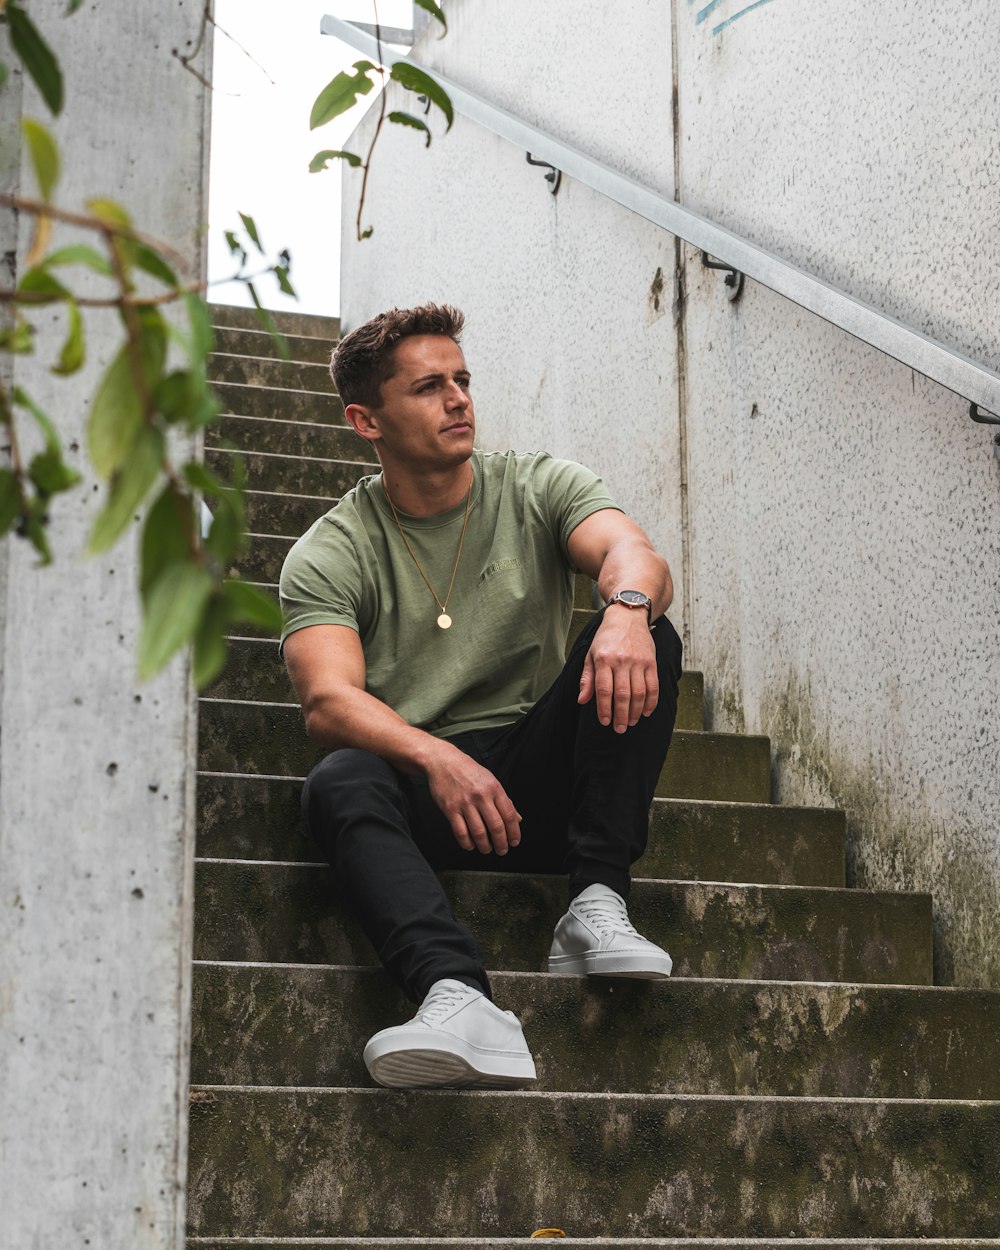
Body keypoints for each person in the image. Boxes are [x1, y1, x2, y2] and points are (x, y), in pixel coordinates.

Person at [279, 303, 683, 1090]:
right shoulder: (332, 549)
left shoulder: (534, 486)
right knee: (340, 780)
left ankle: (596, 902)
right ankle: (455, 993)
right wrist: (434, 756)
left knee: (649, 640)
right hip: (436, 800)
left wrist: (628, 611)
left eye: (462, 380)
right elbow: (328, 702)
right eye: (429, 387)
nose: (459, 399)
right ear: (367, 420)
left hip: (542, 784)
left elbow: (630, 550)